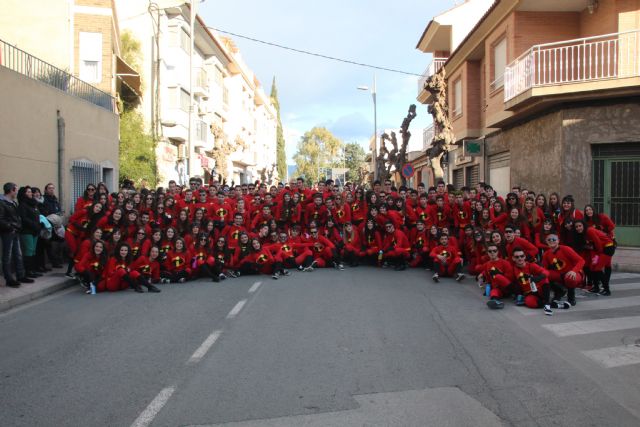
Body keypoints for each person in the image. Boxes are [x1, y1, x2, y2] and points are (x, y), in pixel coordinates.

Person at [0, 182, 34, 287]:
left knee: (18, 255)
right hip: (8, 232)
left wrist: (17, 226)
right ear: (11, 190)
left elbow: (16, 217)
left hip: (15, 231)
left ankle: (21, 275)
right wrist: (11, 227)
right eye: (16, 190)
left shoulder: (13, 202)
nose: (17, 192)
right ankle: (9, 279)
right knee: (7, 256)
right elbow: (1, 219)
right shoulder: (2, 203)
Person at [17, 186, 43, 279]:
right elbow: (24, 218)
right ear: (24, 194)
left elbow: (37, 216)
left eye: (30, 192)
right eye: (28, 192)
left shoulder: (33, 204)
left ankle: (33, 270)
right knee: (28, 250)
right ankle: (28, 271)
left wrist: (40, 224)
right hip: (27, 231)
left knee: (33, 251)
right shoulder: (22, 205)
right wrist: (34, 224)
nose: (31, 193)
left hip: (35, 230)